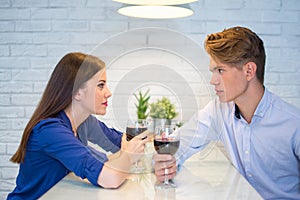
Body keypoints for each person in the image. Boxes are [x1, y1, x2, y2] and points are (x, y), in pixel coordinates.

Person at [153, 26, 300, 199]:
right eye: (213, 71)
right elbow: (178, 146)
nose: (213, 81)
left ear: (249, 71)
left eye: (220, 70)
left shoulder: (293, 124)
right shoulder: (218, 110)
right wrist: (165, 164)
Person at [7, 52, 150, 199]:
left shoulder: (85, 122)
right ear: (77, 92)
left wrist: (155, 149)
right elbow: (110, 179)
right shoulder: (50, 131)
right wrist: (129, 155)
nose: (108, 93)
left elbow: (122, 141)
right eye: (101, 85)